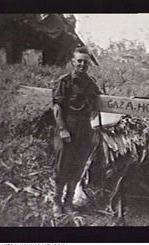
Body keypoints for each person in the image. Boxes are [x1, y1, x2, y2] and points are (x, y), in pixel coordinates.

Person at [52, 46, 101, 216]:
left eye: (85, 62)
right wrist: (63, 129)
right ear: (73, 62)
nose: (82, 65)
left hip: (84, 128)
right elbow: (57, 107)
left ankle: (68, 203)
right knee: (62, 165)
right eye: (79, 61)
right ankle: (57, 203)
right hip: (67, 126)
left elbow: (96, 105)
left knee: (78, 166)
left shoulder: (91, 84)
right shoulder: (64, 82)